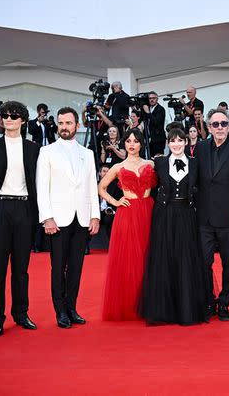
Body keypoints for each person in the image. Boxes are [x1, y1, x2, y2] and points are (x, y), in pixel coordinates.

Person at [36, 107, 100, 328]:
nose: (64, 127)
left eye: (68, 123)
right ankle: (60, 311)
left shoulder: (88, 153)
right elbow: (42, 188)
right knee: (58, 268)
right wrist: (47, 218)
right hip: (58, 220)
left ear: (77, 126)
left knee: (76, 267)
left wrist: (95, 216)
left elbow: (92, 185)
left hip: (81, 218)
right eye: (61, 123)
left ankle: (72, 308)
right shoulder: (47, 152)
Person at [0, 101, 40, 336]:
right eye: (5, 115)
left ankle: (21, 313)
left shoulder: (34, 148)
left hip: (24, 209)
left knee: (21, 268)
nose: (8, 119)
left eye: (14, 116)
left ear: (23, 120)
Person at [140, 128, 207, 324]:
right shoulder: (159, 162)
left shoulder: (195, 163)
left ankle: (186, 310)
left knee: (185, 258)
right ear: (168, 143)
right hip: (164, 215)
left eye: (180, 140)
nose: (176, 144)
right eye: (172, 141)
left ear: (186, 142)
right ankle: (164, 311)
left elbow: (202, 188)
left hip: (186, 214)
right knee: (164, 258)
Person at [196, 108, 229, 321]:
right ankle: (209, 300)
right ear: (209, 127)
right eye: (216, 124)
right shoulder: (200, 148)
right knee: (204, 262)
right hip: (204, 217)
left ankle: (225, 303)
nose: (220, 128)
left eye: (224, 124)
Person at [98, 128, 157, 320]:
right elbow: (101, 188)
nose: (132, 145)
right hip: (128, 213)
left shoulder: (151, 164)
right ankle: (131, 305)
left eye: (136, 141)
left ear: (141, 143)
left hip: (149, 211)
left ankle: (149, 302)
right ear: (124, 144)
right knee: (130, 259)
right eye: (129, 141)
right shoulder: (117, 167)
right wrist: (115, 202)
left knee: (148, 256)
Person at [141, 91, 166, 157]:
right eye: (150, 98)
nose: (152, 100)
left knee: (159, 159)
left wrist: (148, 113)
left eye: (153, 98)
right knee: (150, 158)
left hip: (158, 139)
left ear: (157, 99)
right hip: (149, 139)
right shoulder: (148, 108)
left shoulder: (161, 109)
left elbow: (156, 122)